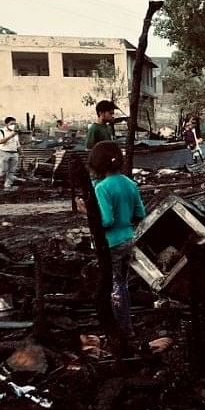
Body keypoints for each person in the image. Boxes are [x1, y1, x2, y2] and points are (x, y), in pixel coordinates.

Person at [88, 141, 146, 337]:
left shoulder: (102, 188)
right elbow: (140, 213)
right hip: (128, 239)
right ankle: (126, 325)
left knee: (112, 286)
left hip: (110, 243)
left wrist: (86, 211)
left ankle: (120, 329)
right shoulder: (130, 184)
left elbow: (106, 220)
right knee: (122, 284)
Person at [1, 117, 20, 192]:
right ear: (6, 124)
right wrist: (11, 135)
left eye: (14, 124)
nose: (13, 125)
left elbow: (17, 144)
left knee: (11, 171)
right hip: (4, 152)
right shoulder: (1, 131)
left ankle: (7, 186)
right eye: (11, 124)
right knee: (2, 171)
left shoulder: (15, 133)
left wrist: (21, 153)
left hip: (14, 153)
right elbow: (1, 141)